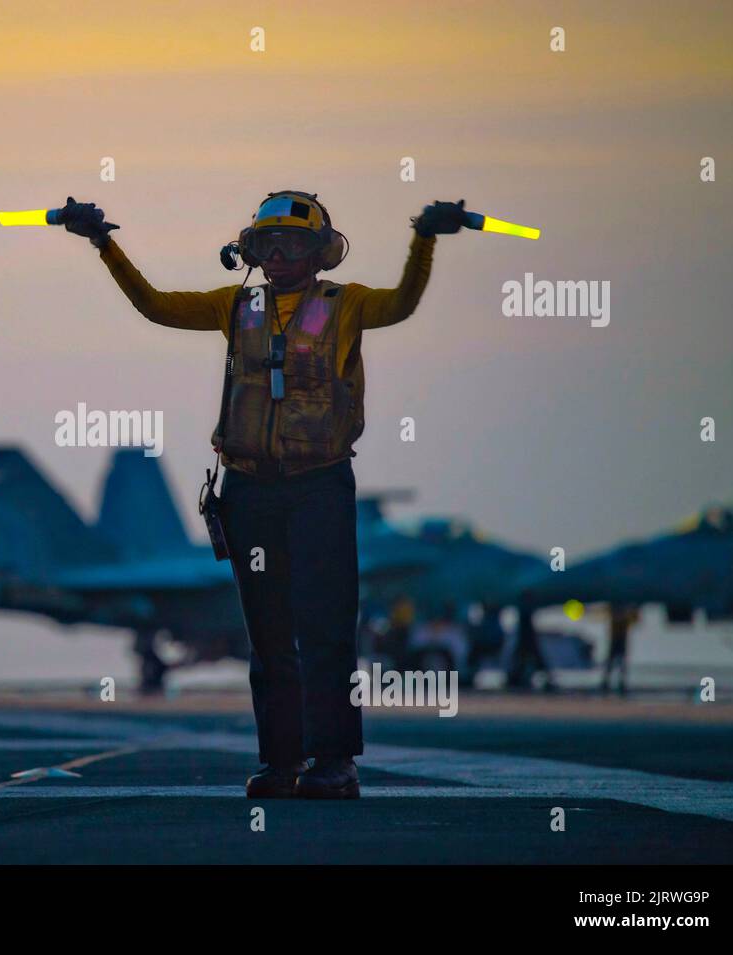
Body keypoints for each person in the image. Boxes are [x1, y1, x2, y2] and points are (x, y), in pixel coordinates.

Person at [61, 191, 464, 798]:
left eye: (291, 243)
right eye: (266, 243)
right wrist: (103, 244)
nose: (276, 254)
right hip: (249, 489)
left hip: (320, 486)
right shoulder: (237, 306)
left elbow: (403, 304)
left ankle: (335, 763)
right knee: (268, 634)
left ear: (318, 253)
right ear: (249, 250)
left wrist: (424, 239)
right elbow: (156, 307)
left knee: (327, 629)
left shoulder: (347, 303)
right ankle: (282, 763)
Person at [601, 604, 638, 695]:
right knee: (613, 662)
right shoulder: (619, 612)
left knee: (619, 663)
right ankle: (608, 682)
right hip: (616, 640)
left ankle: (618, 682)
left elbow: (634, 619)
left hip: (620, 640)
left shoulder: (624, 613)